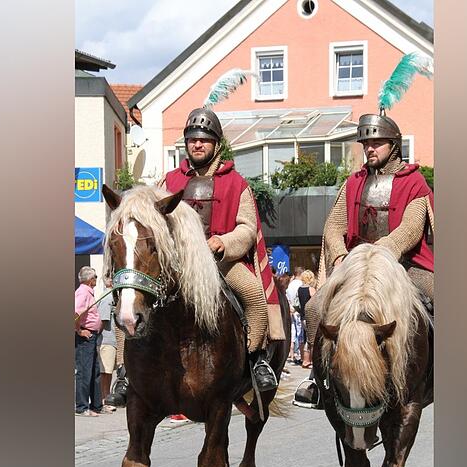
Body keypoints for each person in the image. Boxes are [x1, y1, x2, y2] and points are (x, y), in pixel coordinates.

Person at [159, 107, 285, 392]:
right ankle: (127, 371)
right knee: (134, 296)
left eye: (204, 139)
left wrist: (223, 243)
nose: (198, 144)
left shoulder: (235, 182)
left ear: (216, 144)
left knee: (254, 295)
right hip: (177, 263)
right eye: (192, 139)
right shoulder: (169, 181)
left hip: (221, 263)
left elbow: (247, 228)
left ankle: (256, 358)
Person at [305, 111, 435, 365]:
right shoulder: (353, 182)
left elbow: (409, 229)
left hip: (406, 265)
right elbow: (334, 225)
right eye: (366, 144)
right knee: (313, 309)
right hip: (355, 265)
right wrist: (341, 254)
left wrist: (379, 252)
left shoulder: (414, 183)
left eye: (376, 143)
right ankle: (318, 380)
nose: (369, 149)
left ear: (394, 145)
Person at [74, 266, 104, 417]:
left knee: (94, 371)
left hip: (92, 336)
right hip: (85, 337)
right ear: (90, 279)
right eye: (95, 277)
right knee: (84, 372)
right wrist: (79, 330)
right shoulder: (82, 292)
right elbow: (74, 312)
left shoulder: (88, 292)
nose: (96, 279)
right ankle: (81, 406)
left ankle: (97, 405)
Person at [96, 278, 119, 413]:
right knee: (106, 372)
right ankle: (104, 400)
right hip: (107, 340)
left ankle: (105, 397)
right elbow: (102, 320)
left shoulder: (112, 295)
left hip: (110, 340)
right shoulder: (108, 297)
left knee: (108, 372)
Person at [297, 270, 316, 368]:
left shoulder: (300, 289)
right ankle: (309, 361)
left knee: (305, 338)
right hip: (310, 317)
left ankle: (305, 360)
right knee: (311, 340)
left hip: (302, 316)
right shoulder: (311, 289)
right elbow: (315, 301)